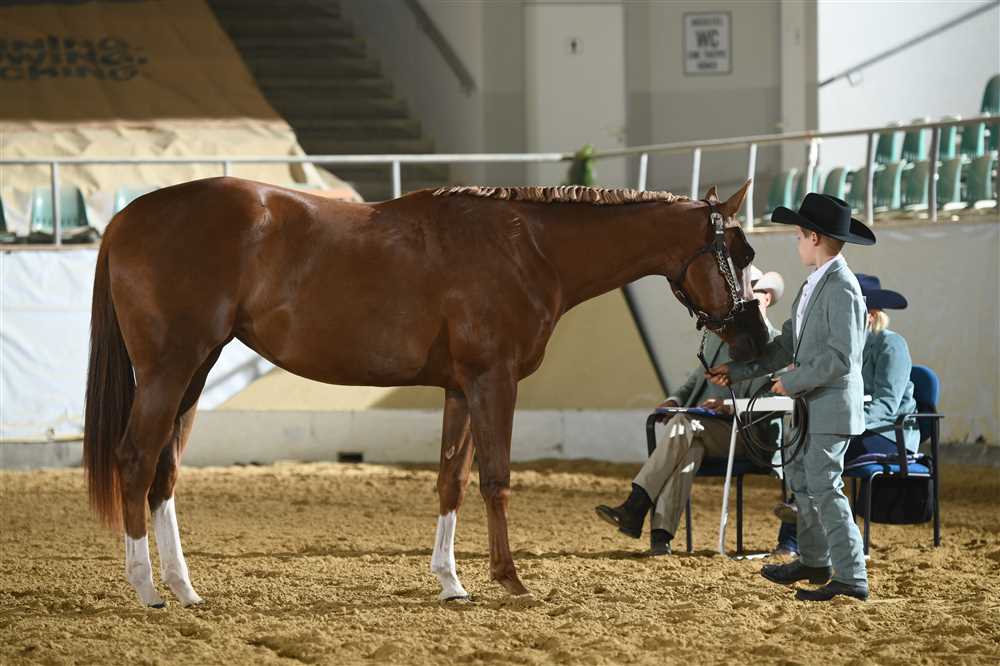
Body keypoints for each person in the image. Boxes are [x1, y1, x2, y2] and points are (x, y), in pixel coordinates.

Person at [706, 193, 875, 602]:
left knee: (825, 486)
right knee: (801, 480)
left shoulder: (842, 287)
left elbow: (842, 357)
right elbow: (786, 346)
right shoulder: (815, 285)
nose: (796, 243)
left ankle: (852, 576)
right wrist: (738, 371)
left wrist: (792, 383)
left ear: (814, 238)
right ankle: (815, 561)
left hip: (830, 407)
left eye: (799, 236)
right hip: (812, 406)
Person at [593, 266, 784, 556]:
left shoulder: (776, 344)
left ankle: (635, 505)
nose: (742, 300)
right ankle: (660, 536)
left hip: (747, 435)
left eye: (751, 292)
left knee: (684, 426)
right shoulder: (718, 337)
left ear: (767, 297)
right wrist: (673, 399)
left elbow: (772, 400)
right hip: (704, 429)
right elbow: (695, 380)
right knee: (689, 448)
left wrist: (729, 406)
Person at [772, 273, 918, 549]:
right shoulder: (841, 347)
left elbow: (887, 404)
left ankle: (795, 538)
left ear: (870, 316)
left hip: (887, 433)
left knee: (817, 450)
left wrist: (843, 421)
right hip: (851, 425)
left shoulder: (891, 345)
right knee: (801, 442)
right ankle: (800, 531)